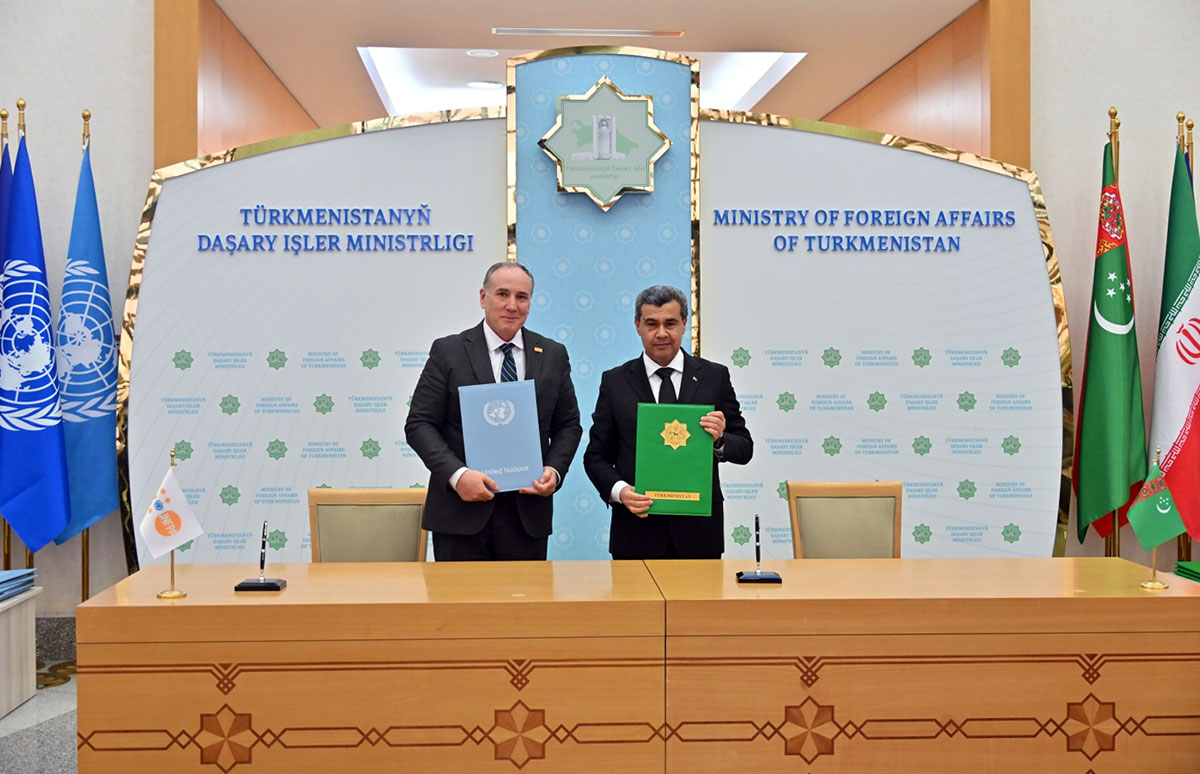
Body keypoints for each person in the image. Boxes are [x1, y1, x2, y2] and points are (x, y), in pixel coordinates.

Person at [405, 262, 582, 560]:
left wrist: (553, 470)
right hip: (460, 515)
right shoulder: (448, 352)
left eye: (522, 297)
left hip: (527, 517)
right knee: (459, 594)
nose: (512, 305)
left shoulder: (553, 354)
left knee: (524, 594)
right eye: (502, 294)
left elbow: (568, 425)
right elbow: (419, 424)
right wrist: (458, 476)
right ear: (483, 297)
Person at [584, 285, 753, 559]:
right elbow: (595, 457)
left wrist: (720, 440)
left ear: (684, 324)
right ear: (638, 326)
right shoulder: (615, 382)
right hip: (636, 533)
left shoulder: (714, 377)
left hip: (699, 536)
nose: (661, 333)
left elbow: (745, 448)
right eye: (652, 324)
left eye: (670, 323)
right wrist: (621, 491)